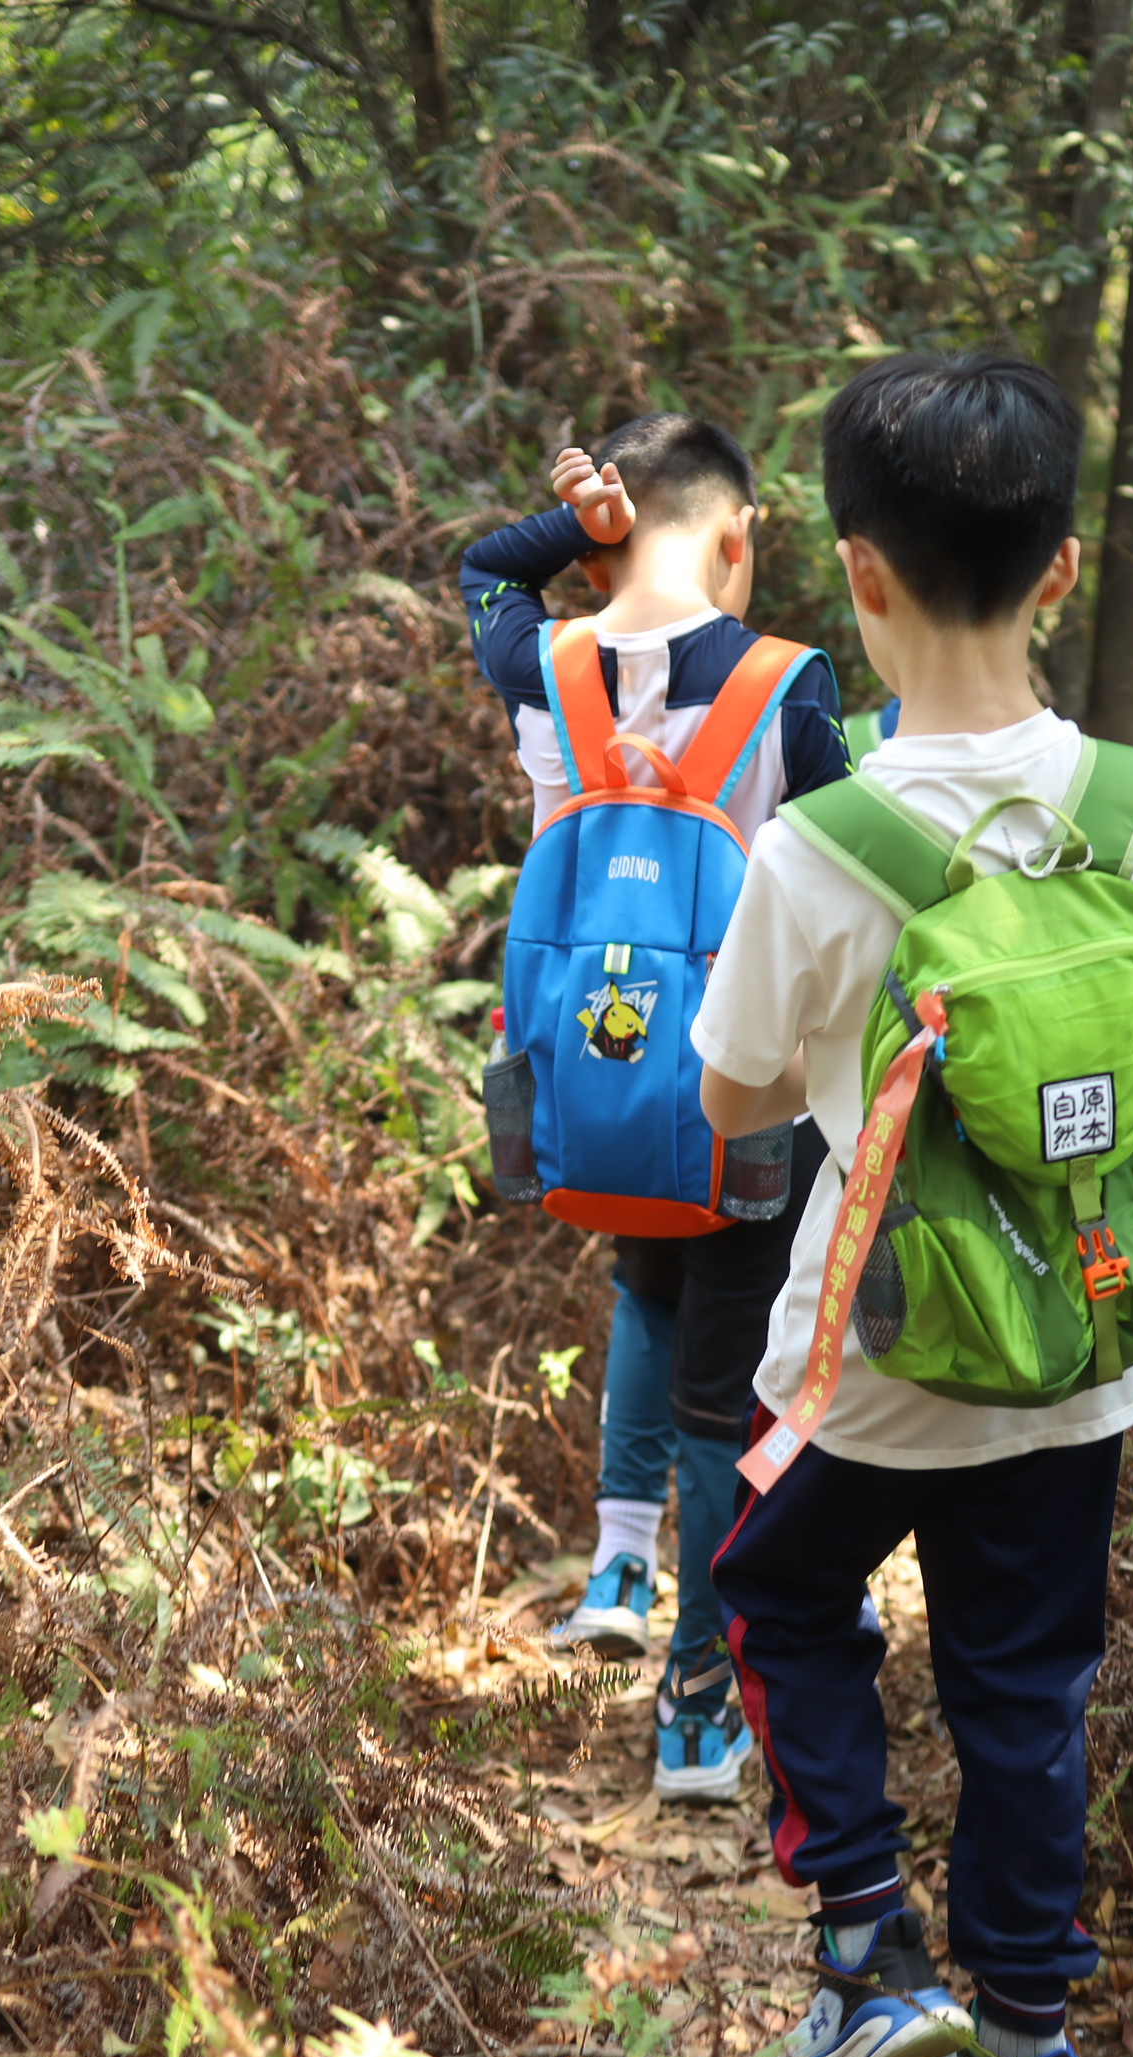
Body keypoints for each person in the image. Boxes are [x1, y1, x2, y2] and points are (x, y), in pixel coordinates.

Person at [690, 351, 1133, 2057]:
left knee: (775, 1602)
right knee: (1030, 1692)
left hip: (872, 1363)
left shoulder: (827, 844)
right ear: (1065, 570)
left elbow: (733, 1092)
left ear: (854, 575)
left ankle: (865, 1949)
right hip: (1086, 1348)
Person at [458, 416, 847, 1800]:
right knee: (722, 1386)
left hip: (589, 1091)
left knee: (647, 1292)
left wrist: (576, 532)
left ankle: (623, 1558)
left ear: (624, 518)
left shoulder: (546, 664)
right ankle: (698, 1692)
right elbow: (847, 874)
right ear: (740, 535)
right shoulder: (787, 687)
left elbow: (485, 573)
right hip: (742, 1098)